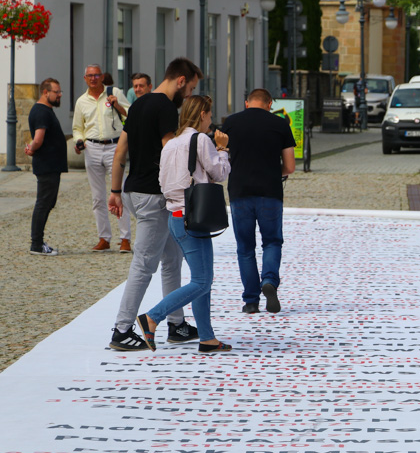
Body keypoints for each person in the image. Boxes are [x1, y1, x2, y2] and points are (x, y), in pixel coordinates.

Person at [105, 57, 203, 351]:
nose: (188, 96)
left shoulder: (139, 104)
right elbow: (171, 152)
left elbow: (121, 149)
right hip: (155, 196)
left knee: (171, 259)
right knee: (144, 264)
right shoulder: (164, 108)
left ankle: (176, 324)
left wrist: (114, 190)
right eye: (191, 88)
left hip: (135, 190)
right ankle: (122, 329)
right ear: (181, 80)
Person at [136, 95, 232, 353]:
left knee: (203, 279)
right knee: (202, 281)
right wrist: (222, 149)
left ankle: (207, 338)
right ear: (202, 114)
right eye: (210, 115)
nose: (211, 120)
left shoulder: (170, 144)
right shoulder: (201, 140)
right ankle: (153, 317)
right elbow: (219, 173)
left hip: (175, 216)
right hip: (193, 218)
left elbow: (163, 180)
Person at [221, 88, 296, 314]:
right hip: (270, 191)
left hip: (240, 192)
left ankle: (251, 301)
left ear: (246, 103)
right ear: (269, 104)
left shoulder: (231, 123)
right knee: (272, 242)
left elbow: (221, 156)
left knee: (245, 248)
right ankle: (269, 281)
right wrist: (276, 172)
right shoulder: (280, 124)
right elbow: (290, 166)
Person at [72, 64, 132, 253]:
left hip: (115, 146)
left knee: (119, 191)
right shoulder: (82, 101)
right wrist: (79, 140)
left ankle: (125, 238)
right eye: (90, 76)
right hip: (93, 147)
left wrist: (118, 105)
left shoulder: (114, 93)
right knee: (97, 197)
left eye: (97, 75)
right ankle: (104, 237)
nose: (93, 79)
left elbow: (132, 113)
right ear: (85, 78)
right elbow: (77, 127)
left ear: (102, 76)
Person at [24, 78, 67, 256]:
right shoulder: (41, 112)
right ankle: (36, 244)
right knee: (43, 203)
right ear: (45, 92)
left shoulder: (45, 110)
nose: (59, 95)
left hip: (51, 165)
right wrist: (31, 148)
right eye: (56, 92)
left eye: (59, 91)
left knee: (48, 202)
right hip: (47, 165)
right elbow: (39, 138)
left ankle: (38, 242)